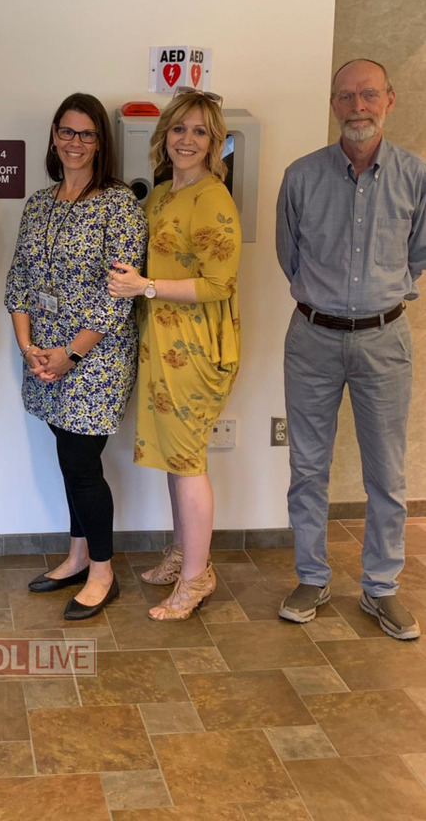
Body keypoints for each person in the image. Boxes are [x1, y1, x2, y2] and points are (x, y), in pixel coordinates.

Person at [276, 58, 423, 641]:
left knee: (386, 473)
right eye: (346, 96)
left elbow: (419, 252)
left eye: (368, 95)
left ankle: (381, 588)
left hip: (385, 340)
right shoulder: (302, 176)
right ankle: (311, 577)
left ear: (390, 99)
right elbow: (290, 256)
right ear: (333, 105)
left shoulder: (416, 175)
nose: (357, 106)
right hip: (311, 336)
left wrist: (377, 298)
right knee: (306, 467)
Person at [5, 93, 147, 620]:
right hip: (43, 354)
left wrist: (69, 354)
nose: (75, 142)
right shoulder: (39, 203)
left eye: (87, 134)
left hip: (97, 358)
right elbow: (19, 279)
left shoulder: (119, 205)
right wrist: (29, 348)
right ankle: (78, 555)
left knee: (82, 465)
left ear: (101, 143)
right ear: (53, 136)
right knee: (68, 458)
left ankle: (103, 572)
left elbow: (117, 293)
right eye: (67, 131)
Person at [108, 89, 241, 621]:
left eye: (201, 132)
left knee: (187, 462)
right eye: (180, 129)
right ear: (165, 135)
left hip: (195, 346)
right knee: (173, 455)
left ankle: (196, 579)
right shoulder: (162, 194)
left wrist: (146, 288)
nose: (188, 140)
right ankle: (185, 554)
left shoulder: (213, 198)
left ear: (215, 143)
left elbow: (219, 283)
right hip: (160, 342)